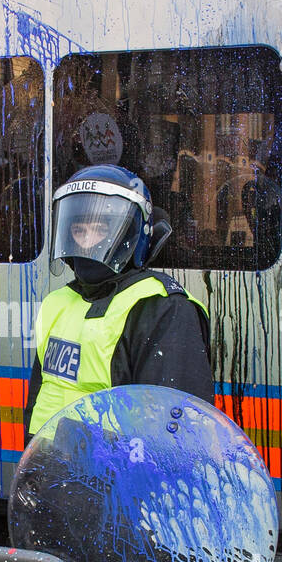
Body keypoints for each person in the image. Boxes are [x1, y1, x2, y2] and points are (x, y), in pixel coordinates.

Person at [24, 164, 214, 438]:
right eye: (79, 230)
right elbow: (39, 401)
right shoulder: (58, 303)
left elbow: (174, 432)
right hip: (48, 470)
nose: (87, 243)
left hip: (116, 475)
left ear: (130, 236)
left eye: (101, 230)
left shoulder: (161, 307)